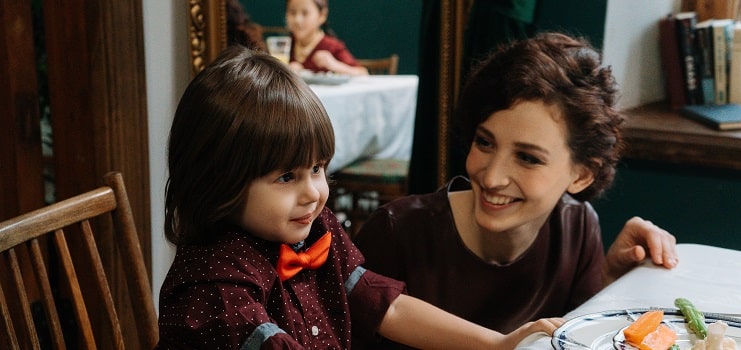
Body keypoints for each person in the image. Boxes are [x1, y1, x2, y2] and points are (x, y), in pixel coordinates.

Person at [155, 45, 562, 349]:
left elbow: (389, 306)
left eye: (317, 169)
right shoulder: (216, 292)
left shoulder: (312, 230)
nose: (313, 193)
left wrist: (496, 343)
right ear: (218, 180)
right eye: (285, 177)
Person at [353, 32, 679, 348]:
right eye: (484, 142)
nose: (493, 177)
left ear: (581, 175)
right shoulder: (398, 231)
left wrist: (610, 280)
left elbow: (576, 340)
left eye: (527, 158)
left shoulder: (577, 227)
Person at [285, 0, 368, 76]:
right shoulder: (283, 45)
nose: (297, 20)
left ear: (322, 15)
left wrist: (334, 64)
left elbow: (363, 73)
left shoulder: (332, 46)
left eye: (305, 13)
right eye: (292, 12)